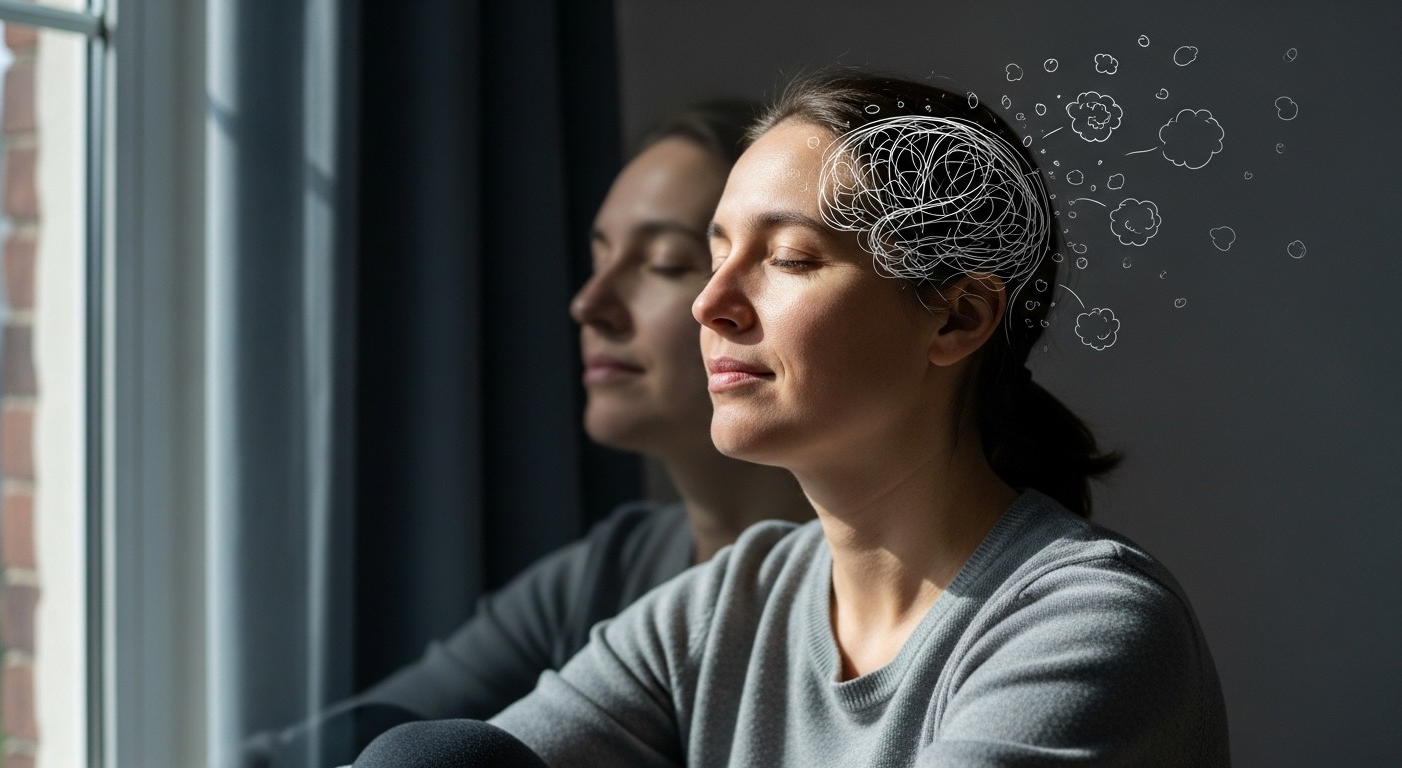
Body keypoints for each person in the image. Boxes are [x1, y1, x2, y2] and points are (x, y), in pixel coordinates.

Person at [472, 71, 1229, 766]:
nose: (710, 304)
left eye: (790, 259)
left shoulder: (1087, 629)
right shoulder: (724, 608)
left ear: (957, 320)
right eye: (715, 255)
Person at [242, 102, 812, 768]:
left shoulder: (909, 617)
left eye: (663, 263)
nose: (588, 302)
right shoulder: (611, 571)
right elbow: (344, 740)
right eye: (598, 257)